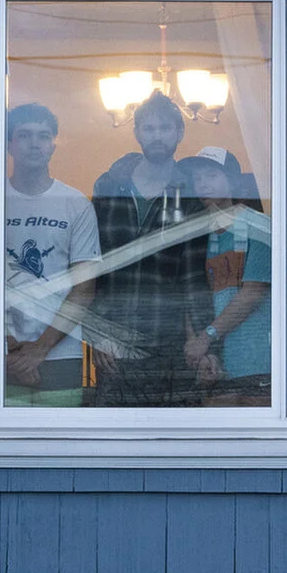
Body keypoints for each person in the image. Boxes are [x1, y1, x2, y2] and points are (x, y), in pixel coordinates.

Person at [0, 101, 102, 408]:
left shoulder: (76, 204)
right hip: (2, 356)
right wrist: (10, 349)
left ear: (53, 145)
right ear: (9, 144)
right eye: (24, 135)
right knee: (5, 452)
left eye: (43, 136)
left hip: (62, 353)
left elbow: (84, 287)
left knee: (62, 449)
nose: (34, 143)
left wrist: (40, 349)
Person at [89, 91, 216, 407]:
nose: (157, 136)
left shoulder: (190, 197)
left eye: (164, 128)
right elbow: (92, 268)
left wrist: (201, 341)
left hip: (169, 344)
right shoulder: (109, 188)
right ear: (137, 134)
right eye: (149, 128)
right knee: (114, 443)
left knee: (172, 442)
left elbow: (193, 278)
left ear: (179, 133)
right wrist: (97, 335)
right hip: (114, 342)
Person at [181, 150, 271, 405]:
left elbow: (253, 293)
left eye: (211, 175)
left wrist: (204, 338)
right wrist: (197, 350)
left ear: (233, 180)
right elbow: (189, 296)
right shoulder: (197, 237)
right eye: (197, 179)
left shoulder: (259, 227)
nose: (203, 184)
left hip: (259, 361)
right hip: (215, 364)